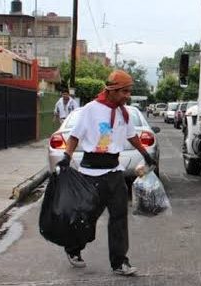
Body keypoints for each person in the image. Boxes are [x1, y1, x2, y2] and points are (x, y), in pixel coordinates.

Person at [56, 70, 157, 276]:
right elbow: (75, 136)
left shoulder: (123, 112)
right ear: (112, 89)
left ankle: (119, 262)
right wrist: (66, 156)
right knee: (88, 217)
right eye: (124, 91)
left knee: (119, 217)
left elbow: (131, 136)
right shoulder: (90, 110)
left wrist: (145, 154)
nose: (127, 95)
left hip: (114, 171)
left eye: (129, 91)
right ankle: (73, 248)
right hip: (91, 172)